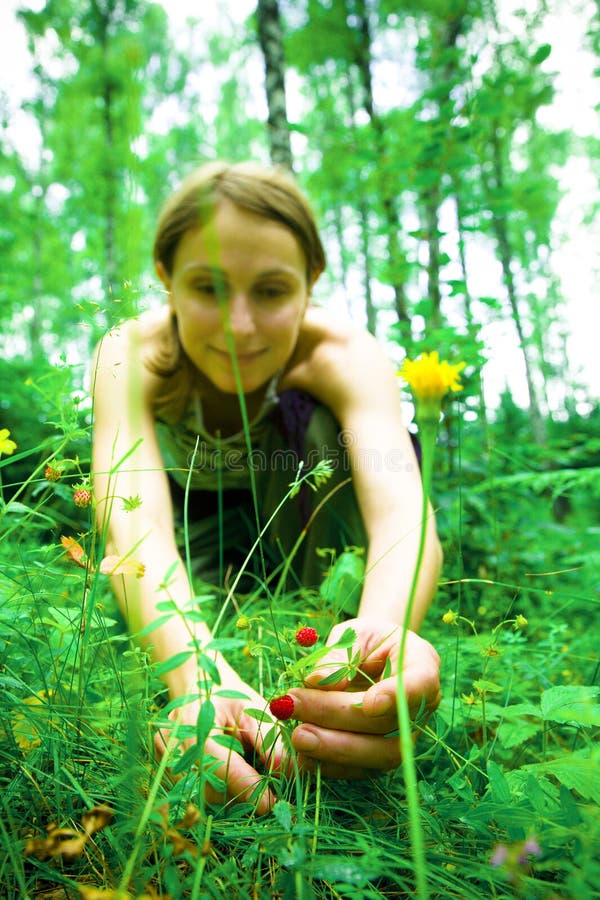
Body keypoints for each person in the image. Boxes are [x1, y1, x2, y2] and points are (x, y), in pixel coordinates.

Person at [91, 160, 442, 815]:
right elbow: (134, 526)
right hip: (190, 529)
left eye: (272, 291)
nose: (239, 327)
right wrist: (194, 673)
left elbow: (403, 516)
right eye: (208, 288)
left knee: (328, 422)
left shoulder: (343, 353)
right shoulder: (129, 354)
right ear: (165, 280)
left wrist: (376, 641)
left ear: (312, 282)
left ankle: (326, 613)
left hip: (299, 523)